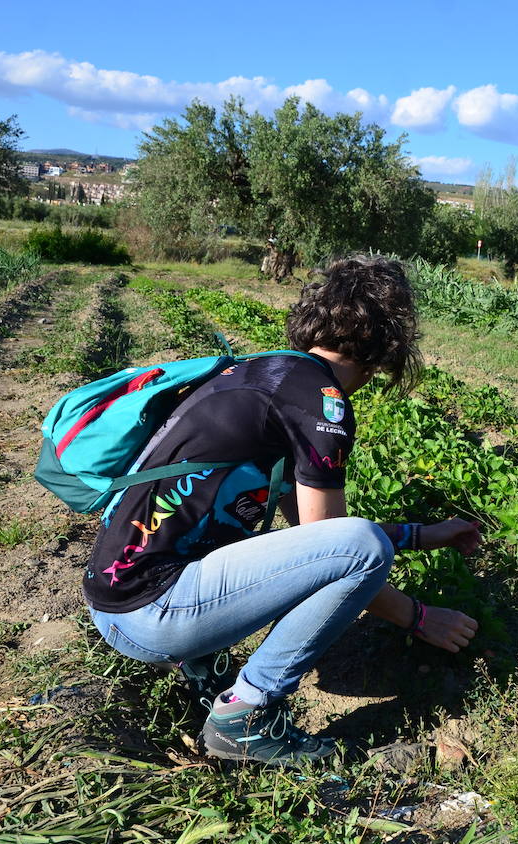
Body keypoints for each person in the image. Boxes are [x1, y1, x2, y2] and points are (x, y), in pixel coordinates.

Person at [82, 255, 481, 766]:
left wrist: (424, 534)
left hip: (113, 604)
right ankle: (245, 715)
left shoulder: (261, 372)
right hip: (156, 615)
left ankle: (203, 668)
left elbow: (309, 544)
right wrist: (419, 617)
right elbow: (341, 545)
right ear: (387, 346)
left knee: (349, 543)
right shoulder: (323, 401)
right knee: (362, 545)